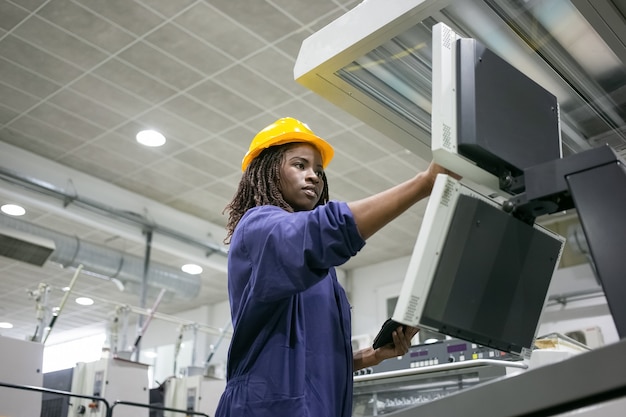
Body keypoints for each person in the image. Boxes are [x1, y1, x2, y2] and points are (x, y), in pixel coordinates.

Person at [215, 117, 451, 417]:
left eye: (318, 170)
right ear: (267, 170)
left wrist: (370, 356)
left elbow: (308, 360)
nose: (313, 176)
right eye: (300, 165)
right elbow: (328, 230)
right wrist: (424, 183)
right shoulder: (259, 228)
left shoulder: (320, 271)